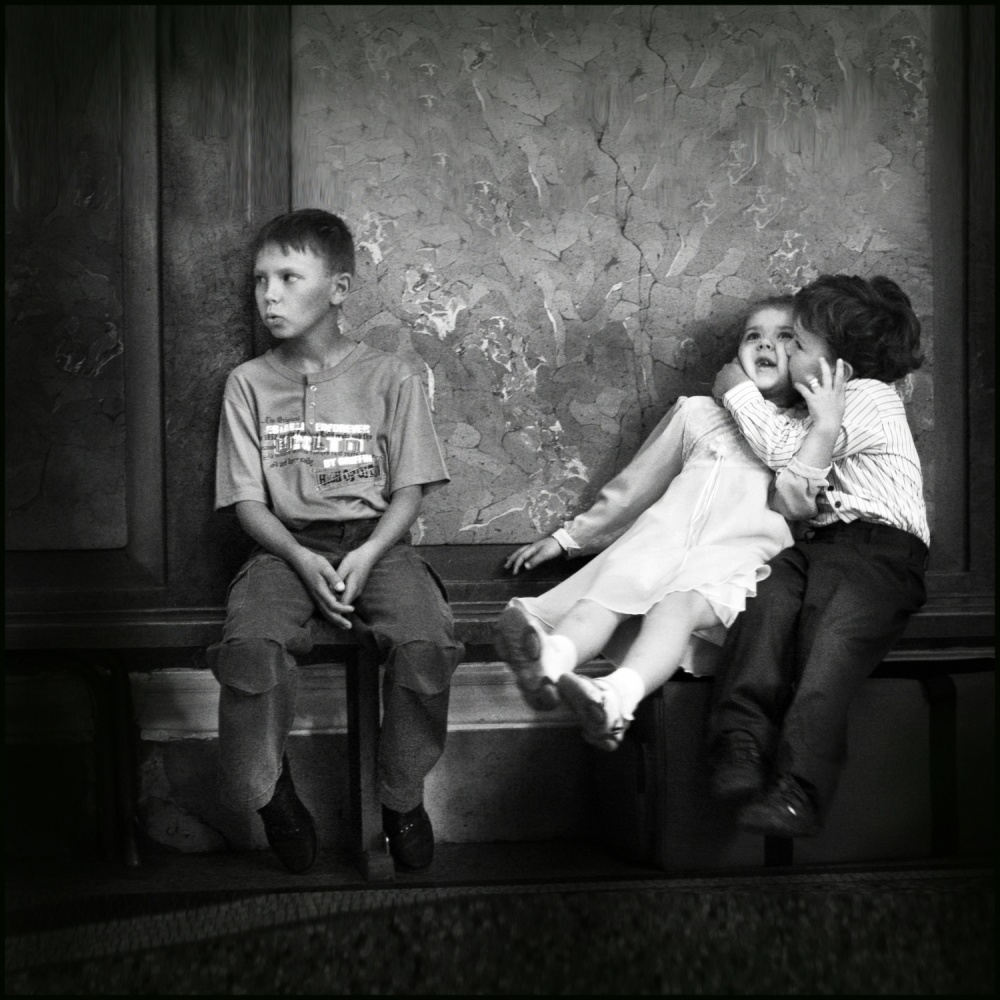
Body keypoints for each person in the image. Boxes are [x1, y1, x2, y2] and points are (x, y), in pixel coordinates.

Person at [207, 209, 463, 874]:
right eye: (260, 280)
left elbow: (408, 491)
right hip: (282, 548)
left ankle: (402, 795)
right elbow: (247, 502)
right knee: (250, 651)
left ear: (339, 288)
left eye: (289, 278)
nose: (269, 295)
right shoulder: (248, 384)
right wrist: (298, 558)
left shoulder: (392, 377)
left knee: (425, 644)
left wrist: (368, 554)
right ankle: (270, 795)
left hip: (379, 545)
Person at [494, 297, 846, 750]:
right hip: (656, 545)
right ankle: (550, 663)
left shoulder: (806, 432)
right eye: (753, 336)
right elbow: (634, 487)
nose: (765, 345)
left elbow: (803, 503)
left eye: (784, 338)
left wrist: (820, 429)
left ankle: (616, 697)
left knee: (675, 608)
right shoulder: (698, 414)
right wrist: (568, 538)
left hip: (733, 560)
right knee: (603, 596)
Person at [706, 274, 929, 838]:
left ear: (840, 368)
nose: (784, 352)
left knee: (827, 651)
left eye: (797, 344)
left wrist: (737, 391)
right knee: (762, 604)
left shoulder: (870, 398)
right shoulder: (815, 411)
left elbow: (784, 451)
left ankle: (798, 790)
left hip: (879, 555)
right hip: (819, 550)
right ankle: (740, 743)